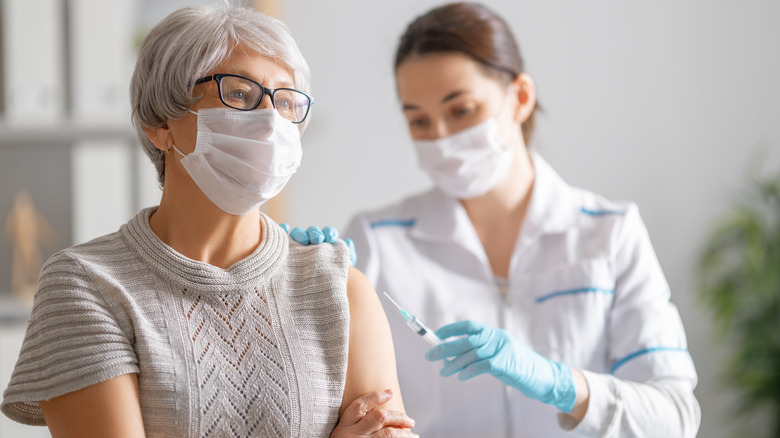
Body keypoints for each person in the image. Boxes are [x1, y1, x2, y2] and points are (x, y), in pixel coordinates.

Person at [0, 5, 417, 438]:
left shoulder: (338, 287)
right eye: (239, 94)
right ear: (159, 124)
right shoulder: (88, 285)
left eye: (287, 101)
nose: (271, 120)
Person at [339, 2, 700, 437]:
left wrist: (563, 385)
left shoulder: (610, 234)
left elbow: (676, 418)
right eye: (419, 121)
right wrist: (295, 276)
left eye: (461, 110)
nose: (441, 138)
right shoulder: (377, 243)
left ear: (521, 97)